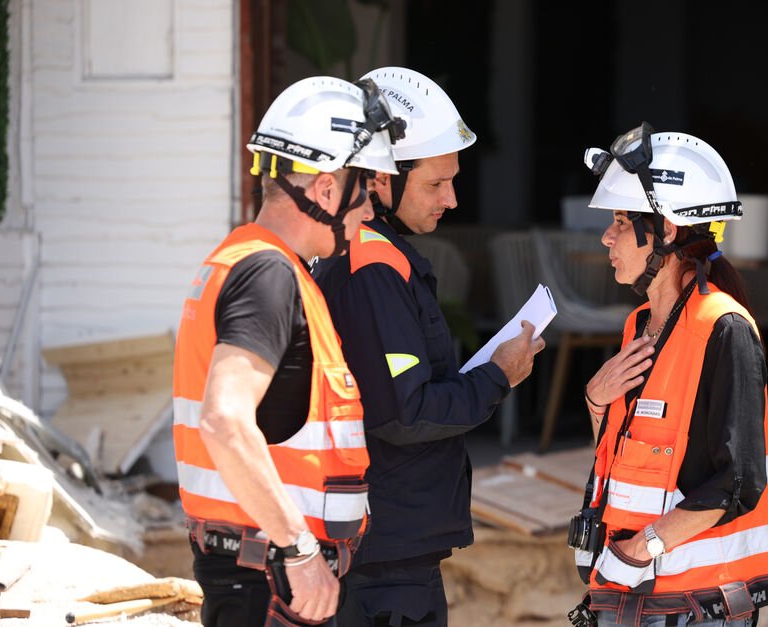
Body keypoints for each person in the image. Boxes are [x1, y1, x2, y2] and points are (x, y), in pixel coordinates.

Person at [313, 66, 545, 626]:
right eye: (435, 184)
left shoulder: (375, 258)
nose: (453, 199)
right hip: (384, 557)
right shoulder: (371, 269)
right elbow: (405, 412)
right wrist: (499, 375)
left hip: (387, 541)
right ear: (379, 180)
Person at [172, 75, 405, 627]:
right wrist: (299, 550)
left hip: (266, 576)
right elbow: (225, 420)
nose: (369, 211)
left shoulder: (257, 264)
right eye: (364, 191)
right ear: (326, 190)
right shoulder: (267, 273)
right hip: (271, 581)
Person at [566, 123, 768, 627]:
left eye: (622, 221)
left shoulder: (725, 327)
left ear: (666, 230)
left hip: (694, 604)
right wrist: (596, 402)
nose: (607, 236)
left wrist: (642, 548)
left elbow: (739, 479)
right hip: (634, 594)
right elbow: (628, 464)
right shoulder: (639, 326)